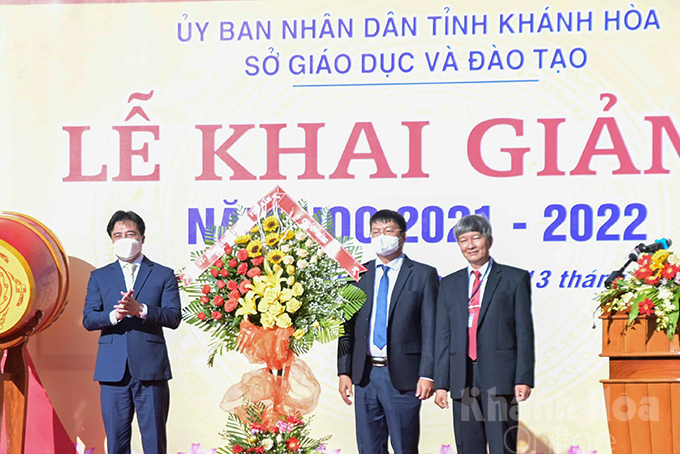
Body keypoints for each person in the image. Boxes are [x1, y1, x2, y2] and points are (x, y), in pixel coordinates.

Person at [337, 209, 439, 454]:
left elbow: (432, 329)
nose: (381, 237)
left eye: (388, 231)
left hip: (404, 377)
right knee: (369, 447)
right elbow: (346, 328)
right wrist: (344, 371)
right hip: (365, 376)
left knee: (404, 447)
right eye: (375, 232)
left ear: (402, 237)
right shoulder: (358, 275)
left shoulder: (423, 275)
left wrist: (428, 374)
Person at [434, 214, 535, 454]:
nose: (470, 245)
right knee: (468, 446)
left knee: (503, 446)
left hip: (500, 376)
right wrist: (441, 383)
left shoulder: (514, 278)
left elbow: (524, 332)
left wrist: (524, 377)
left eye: (476, 238)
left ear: (488, 240)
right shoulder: (449, 284)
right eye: (463, 240)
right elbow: (443, 337)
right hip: (462, 377)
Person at [83, 210, 181, 454]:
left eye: (130, 234)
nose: (124, 240)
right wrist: (114, 316)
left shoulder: (163, 274)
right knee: (116, 443)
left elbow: (173, 316)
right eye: (118, 235)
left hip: (151, 370)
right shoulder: (99, 276)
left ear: (142, 238)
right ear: (112, 240)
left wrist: (141, 310)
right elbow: (88, 319)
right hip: (112, 371)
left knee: (155, 442)